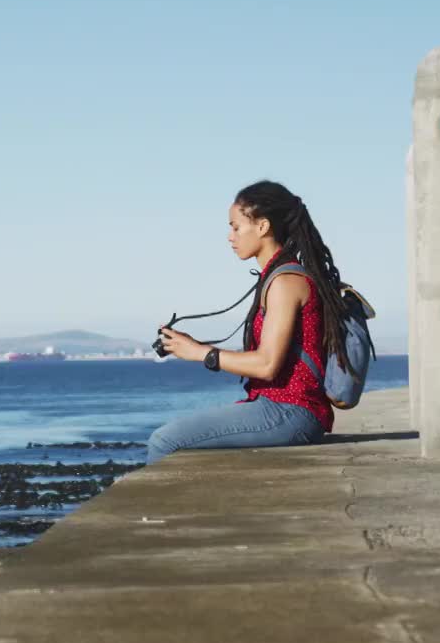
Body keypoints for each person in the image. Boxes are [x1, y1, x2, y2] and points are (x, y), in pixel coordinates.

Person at [148, 180, 351, 464]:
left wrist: (200, 354)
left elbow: (267, 365)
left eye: (235, 227)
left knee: (164, 440)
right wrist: (194, 345)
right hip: (282, 408)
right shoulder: (279, 276)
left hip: (291, 412)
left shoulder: (285, 281)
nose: (230, 236)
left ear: (262, 227)